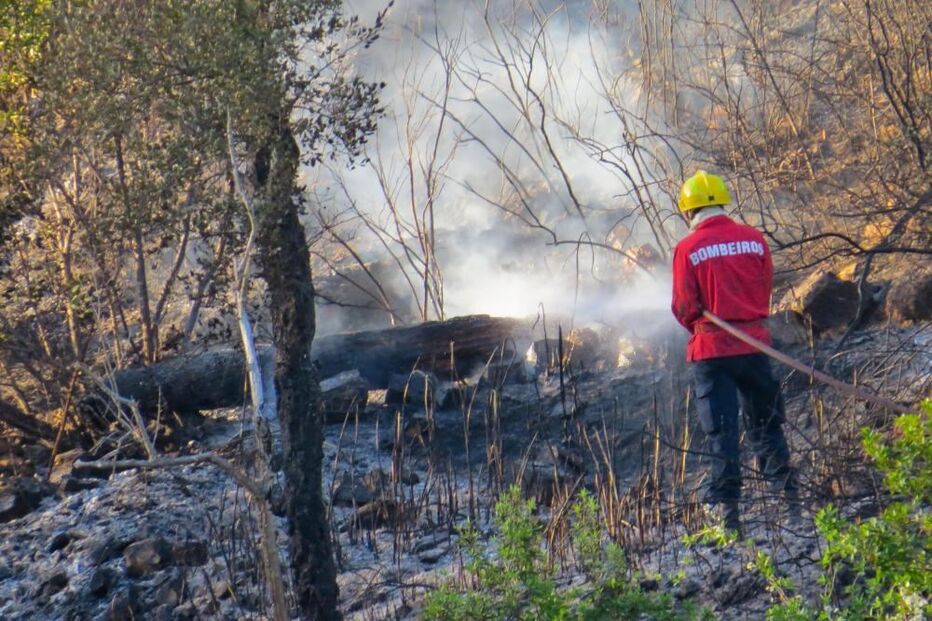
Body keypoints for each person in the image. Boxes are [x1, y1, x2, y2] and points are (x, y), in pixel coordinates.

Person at [671, 170, 797, 534]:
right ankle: (790, 505)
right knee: (767, 424)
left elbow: (684, 308)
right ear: (723, 203)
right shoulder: (754, 239)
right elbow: (764, 289)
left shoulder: (687, 249)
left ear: (687, 212)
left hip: (712, 351)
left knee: (722, 432)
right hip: (755, 346)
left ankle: (729, 518)